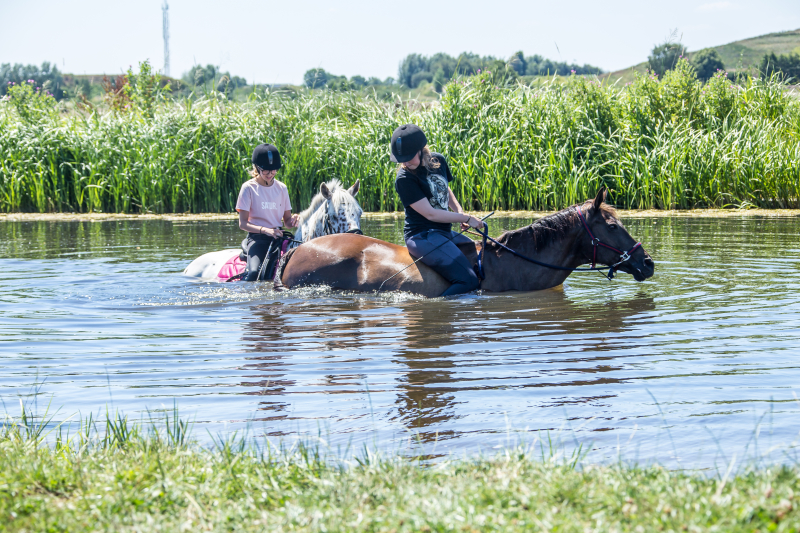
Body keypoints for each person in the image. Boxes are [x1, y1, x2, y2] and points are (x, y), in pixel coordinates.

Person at [391, 124, 484, 296]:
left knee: (481, 258)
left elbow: (444, 189)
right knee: (469, 280)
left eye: (409, 157)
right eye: (401, 159)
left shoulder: (438, 161)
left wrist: (459, 212)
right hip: (422, 236)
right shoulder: (404, 178)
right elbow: (430, 214)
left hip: (443, 232)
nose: (405, 162)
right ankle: (438, 313)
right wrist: (467, 218)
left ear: (420, 150)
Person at [236, 143, 298, 281]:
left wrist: (294, 220)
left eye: (274, 170)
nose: (270, 174)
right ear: (257, 168)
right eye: (266, 171)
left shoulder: (282, 188)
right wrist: (265, 230)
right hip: (258, 238)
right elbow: (243, 224)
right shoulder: (248, 188)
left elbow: (287, 223)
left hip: (279, 236)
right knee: (253, 274)